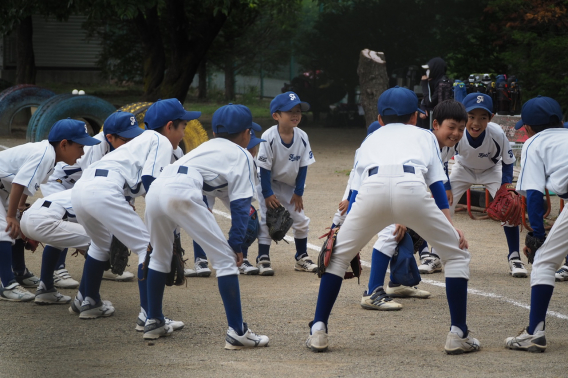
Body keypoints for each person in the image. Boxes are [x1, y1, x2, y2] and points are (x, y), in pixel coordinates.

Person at [305, 86, 478, 355]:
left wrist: (340, 225)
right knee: (456, 257)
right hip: (411, 188)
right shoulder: (423, 135)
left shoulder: (369, 139)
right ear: (415, 117)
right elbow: (436, 184)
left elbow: (354, 191)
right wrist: (451, 228)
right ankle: (458, 334)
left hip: (371, 190)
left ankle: (318, 329)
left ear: (381, 118)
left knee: (337, 259)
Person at [143, 104, 270, 348]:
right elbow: (242, 207)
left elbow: (220, 188)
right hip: (180, 192)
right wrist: (236, 245)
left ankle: (154, 320)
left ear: (214, 133)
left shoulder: (204, 148)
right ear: (247, 134)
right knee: (225, 261)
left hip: (157, 190)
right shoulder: (243, 155)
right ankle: (237, 332)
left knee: (160, 256)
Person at [69, 99, 197, 326]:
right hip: (103, 191)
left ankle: (88, 300)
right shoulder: (161, 141)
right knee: (148, 247)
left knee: (100, 244)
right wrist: (167, 226)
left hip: (81, 191)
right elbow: (150, 181)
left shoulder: (141, 141)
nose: (184, 133)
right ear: (169, 126)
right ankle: (150, 316)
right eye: (183, 126)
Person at [39, 111, 144, 289]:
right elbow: (93, 183)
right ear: (110, 137)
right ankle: (56, 271)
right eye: (127, 139)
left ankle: (103, 265)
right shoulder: (96, 146)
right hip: (60, 183)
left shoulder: (125, 148)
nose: (132, 142)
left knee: (103, 224)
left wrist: (126, 205)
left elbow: (125, 183)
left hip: (82, 186)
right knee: (63, 226)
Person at [0, 118, 100, 301]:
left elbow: (27, 183)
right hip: (5, 187)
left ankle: (19, 272)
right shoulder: (44, 154)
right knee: (5, 228)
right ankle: (6, 283)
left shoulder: (50, 156)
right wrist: (10, 215)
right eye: (80, 146)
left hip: (4, 188)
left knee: (15, 225)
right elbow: (18, 182)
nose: (83, 152)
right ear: (64, 144)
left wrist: (19, 209)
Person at [505, 96, 568, 353]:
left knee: (543, 261)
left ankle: (534, 333)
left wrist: (537, 236)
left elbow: (533, 193)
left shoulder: (534, 142)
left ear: (529, 127)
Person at [448, 93, 523, 277]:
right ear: (464, 116)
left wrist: (505, 187)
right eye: (471, 117)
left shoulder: (496, 133)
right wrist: (444, 186)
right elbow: (441, 160)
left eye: (483, 117)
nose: (476, 122)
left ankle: (514, 256)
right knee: (442, 204)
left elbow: (507, 161)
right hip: (463, 169)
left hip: (492, 170)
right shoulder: (457, 132)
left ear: (491, 117)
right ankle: (434, 254)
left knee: (509, 206)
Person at [183, 130, 266, 277]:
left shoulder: (249, 162)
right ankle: (200, 259)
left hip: (228, 189)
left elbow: (244, 201)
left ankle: (242, 258)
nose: (253, 150)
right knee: (202, 219)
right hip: (207, 187)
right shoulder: (221, 155)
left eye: (255, 146)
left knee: (250, 217)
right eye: (250, 146)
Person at [254, 91, 317, 275]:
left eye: (298, 110)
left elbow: (304, 166)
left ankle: (301, 257)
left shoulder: (303, 136)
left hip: (291, 187)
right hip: (269, 184)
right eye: (290, 111)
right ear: (276, 116)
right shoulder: (269, 136)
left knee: (301, 220)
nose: (295, 114)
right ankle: (263, 258)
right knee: (268, 219)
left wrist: (299, 192)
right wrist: (267, 194)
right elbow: (264, 169)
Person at [418, 57, 448, 129]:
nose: (427, 72)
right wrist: (422, 109)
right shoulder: (433, 81)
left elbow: (430, 102)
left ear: (435, 69)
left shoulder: (442, 83)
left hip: (437, 120)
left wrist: (425, 84)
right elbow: (424, 100)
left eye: (429, 69)